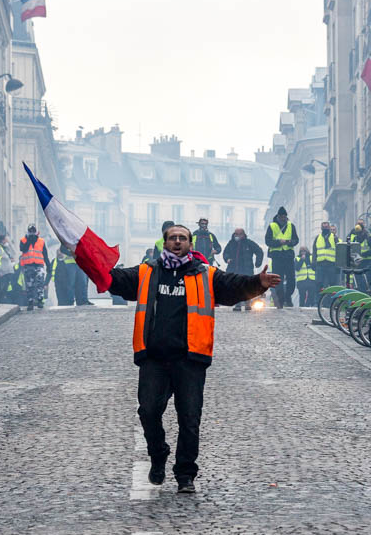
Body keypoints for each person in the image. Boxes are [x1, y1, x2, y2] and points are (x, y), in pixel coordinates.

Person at [108, 224, 282, 493]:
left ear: (190, 244)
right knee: (148, 411)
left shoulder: (205, 273)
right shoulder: (147, 272)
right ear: (164, 243)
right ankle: (158, 453)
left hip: (190, 358)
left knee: (189, 418)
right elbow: (115, 279)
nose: (177, 242)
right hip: (154, 357)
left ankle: (185, 475)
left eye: (182, 238)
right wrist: (88, 259)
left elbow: (232, 285)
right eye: (173, 238)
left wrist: (257, 283)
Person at [264, 207, 298, 308]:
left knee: (291, 279)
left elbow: (296, 240)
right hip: (277, 257)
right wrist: (279, 242)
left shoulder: (291, 226)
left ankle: (288, 296)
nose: (283, 218)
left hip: (288, 256)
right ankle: (281, 299)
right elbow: (268, 241)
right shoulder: (272, 226)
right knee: (278, 279)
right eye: (282, 216)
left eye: (284, 216)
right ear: (278, 216)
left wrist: (290, 242)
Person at [222, 228, 264, 311]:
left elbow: (259, 251)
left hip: (246, 269)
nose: (237, 236)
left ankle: (247, 303)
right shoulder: (231, 243)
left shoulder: (249, 243)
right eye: (236, 234)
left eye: (239, 234)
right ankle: (237, 304)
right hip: (234, 269)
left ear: (243, 234)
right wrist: (227, 259)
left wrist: (258, 263)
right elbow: (225, 253)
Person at [19, 225, 50, 311]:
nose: (32, 232)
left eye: (33, 231)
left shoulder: (41, 241)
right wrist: (29, 241)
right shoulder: (23, 240)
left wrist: (48, 266)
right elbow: (23, 249)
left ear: (36, 231)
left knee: (40, 283)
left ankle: (40, 300)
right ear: (28, 231)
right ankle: (30, 302)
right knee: (29, 285)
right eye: (30, 231)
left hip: (39, 265)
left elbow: (45, 254)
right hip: (28, 266)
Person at [347, 220, 371, 292]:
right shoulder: (354, 238)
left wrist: (363, 254)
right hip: (358, 263)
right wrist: (350, 233)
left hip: (369, 263)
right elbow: (349, 246)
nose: (359, 234)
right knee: (359, 281)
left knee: (369, 280)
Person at [311, 220, 339, 290]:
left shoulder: (334, 237)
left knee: (333, 283)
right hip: (320, 264)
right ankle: (319, 297)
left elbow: (338, 251)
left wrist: (338, 264)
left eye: (326, 225)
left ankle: (333, 296)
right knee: (319, 284)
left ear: (329, 227)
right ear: (321, 228)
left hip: (331, 264)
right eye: (323, 225)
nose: (325, 227)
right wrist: (313, 262)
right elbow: (314, 251)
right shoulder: (318, 237)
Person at [0, 234, 14, 302]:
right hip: (1, 273)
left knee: (4, 288)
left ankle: (1, 300)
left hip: (6, 273)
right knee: (0, 288)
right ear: (3, 240)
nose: (7, 241)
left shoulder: (3, 248)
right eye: (6, 239)